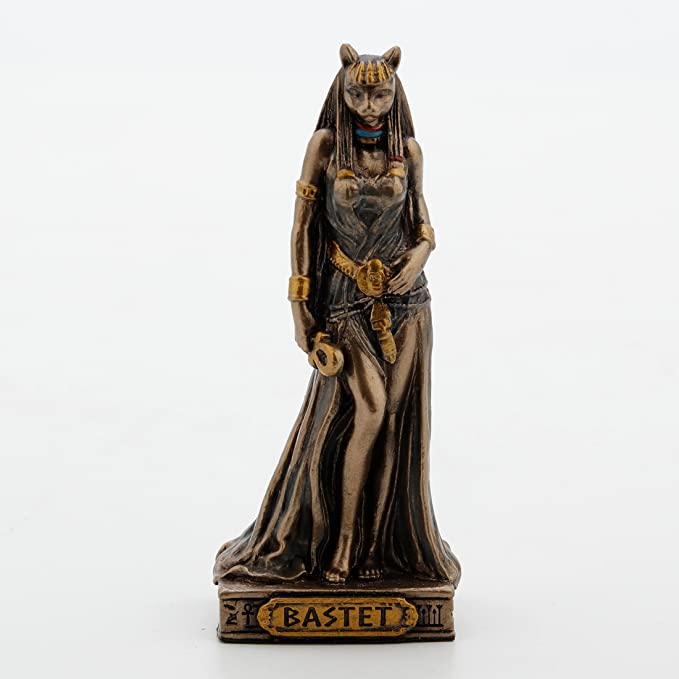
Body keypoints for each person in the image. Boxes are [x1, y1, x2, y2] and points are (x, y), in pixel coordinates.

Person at [214, 44, 461, 587]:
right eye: (358, 93)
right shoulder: (325, 146)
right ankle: (342, 543)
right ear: (341, 91)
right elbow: (303, 224)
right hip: (345, 300)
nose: (369, 104)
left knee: (395, 423)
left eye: (380, 94)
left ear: (395, 91)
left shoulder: (408, 151)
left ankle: (375, 547)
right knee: (369, 411)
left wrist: (420, 254)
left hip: (406, 301)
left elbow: (421, 218)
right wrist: (299, 307)